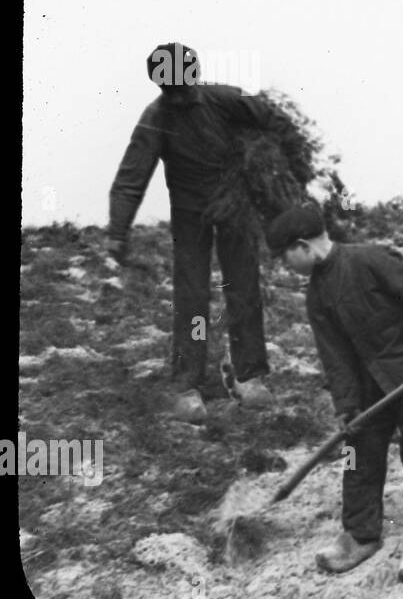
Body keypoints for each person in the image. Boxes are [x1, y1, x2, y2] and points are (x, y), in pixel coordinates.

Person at [267, 204, 403, 583]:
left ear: (302, 246)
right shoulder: (316, 296)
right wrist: (346, 406)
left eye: (285, 258)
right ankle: (361, 534)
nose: (285, 266)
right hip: (367, 388)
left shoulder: (370, 260)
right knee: (355, 453)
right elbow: (335, 358)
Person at [108, 43, 290, 420]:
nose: (179, 97)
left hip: (234, 207)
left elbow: (276, 120)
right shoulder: (155, 118)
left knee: (244, 288)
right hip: (190, 216)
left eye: (184, 88)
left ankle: (248, 374)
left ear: (194, 76)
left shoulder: (226, 100)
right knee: (191, 298)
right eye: (170, 91)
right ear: (160, 87)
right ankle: (187, 383)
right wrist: (117, 233)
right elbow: (131, 178)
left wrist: (272, 167)